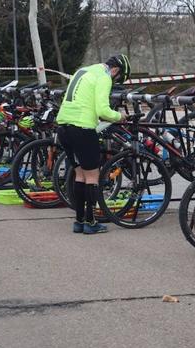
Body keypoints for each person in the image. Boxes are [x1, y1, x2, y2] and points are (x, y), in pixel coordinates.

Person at [55, 54, 131, 235]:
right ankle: (91, 222)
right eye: (118, 78)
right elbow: (103, 110)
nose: (115, 80)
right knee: (92, 177)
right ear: (116, 70)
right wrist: (119, 116)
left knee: (80, 175)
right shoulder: (104, 77)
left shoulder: (83, 71)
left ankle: (79, 221)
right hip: (82, 128)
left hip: (64, 126)